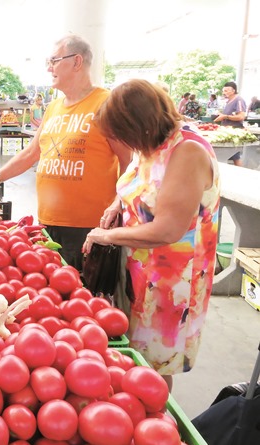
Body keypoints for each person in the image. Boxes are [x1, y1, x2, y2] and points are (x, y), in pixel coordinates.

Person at [84, 79, 220, 390]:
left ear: (140, 125)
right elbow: (142, 184)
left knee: (155, 364)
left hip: (171, 282)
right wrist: (116, 204)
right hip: (137, 268)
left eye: (121, 134)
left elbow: (168, 229)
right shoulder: (147, 145)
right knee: (134, 352)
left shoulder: (187, 153)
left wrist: (107, 236)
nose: (119, 141)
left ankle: (156, 417)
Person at [0, 34, 131, 271]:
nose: (49, 68)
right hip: (47, 222)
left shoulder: (107, 104)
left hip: (87, 227)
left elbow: (129, 163)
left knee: (84, 297)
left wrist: (119, 203)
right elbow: (31, 153)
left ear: (77, 62)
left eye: (54, 60)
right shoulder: (54, 107)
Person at [213, 81, 246, 166]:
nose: (224, 93)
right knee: (233, 156)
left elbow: (241, 116)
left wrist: (225, 117)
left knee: (235, 155)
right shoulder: (228, 101)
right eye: (223, 91)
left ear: (233, 91)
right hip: (227, 131)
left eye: (226, 91)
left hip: (234, 131)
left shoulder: (239, 100)